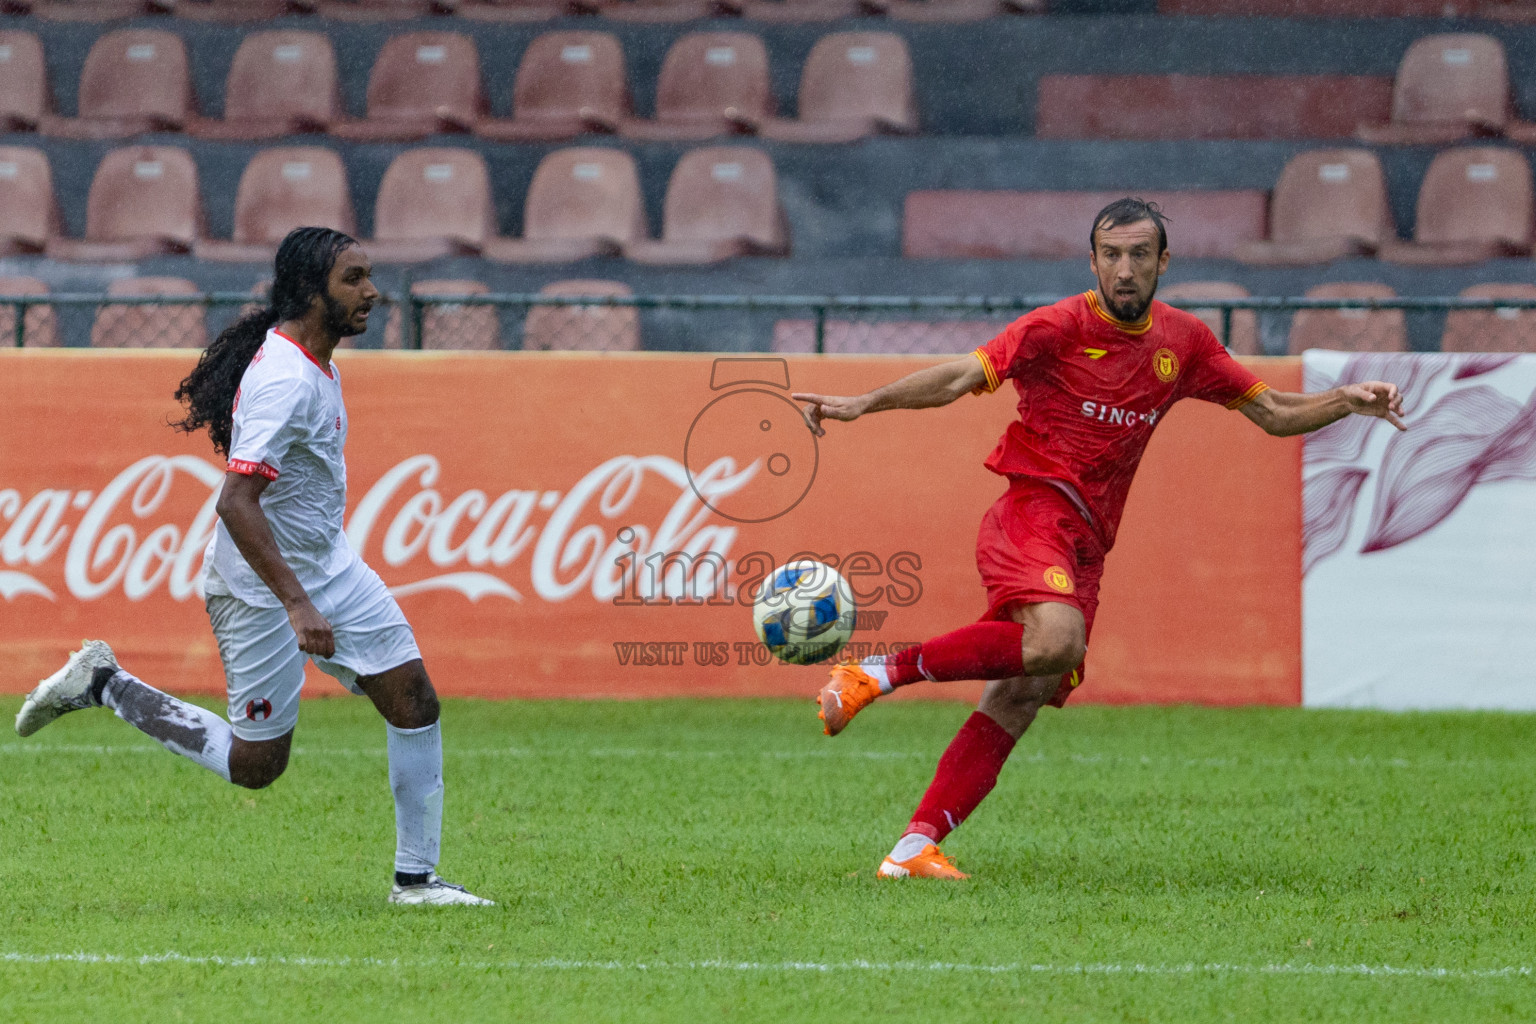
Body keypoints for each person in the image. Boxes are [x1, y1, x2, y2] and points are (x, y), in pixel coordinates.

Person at [793, 198, 1406, 880]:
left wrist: (1346, 402)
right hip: (1032, 510)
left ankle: (913, 849)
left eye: (1139, 255)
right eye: (1111, 255)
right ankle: (873, 674)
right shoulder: (1056, 326)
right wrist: (865, 402)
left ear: (1162, 263)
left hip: (1088, 542)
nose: (1124, 269)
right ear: (1092, 261)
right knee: (1058, 641)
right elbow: (963, 377)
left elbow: (1271, 413)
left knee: (1025, 691)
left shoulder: (1186, 342)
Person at [14, 227, 491, 906]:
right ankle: (106, 684)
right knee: (257, 765)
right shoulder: (284, 382)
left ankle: (416, 883)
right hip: (261, 590)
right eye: (354, 279)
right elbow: (236, 503)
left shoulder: (316, 360)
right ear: (309, 290)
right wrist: (298, 604)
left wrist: (316, 588)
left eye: (369, 276)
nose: (372, 292)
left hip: (331, 567)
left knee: (414, 702)